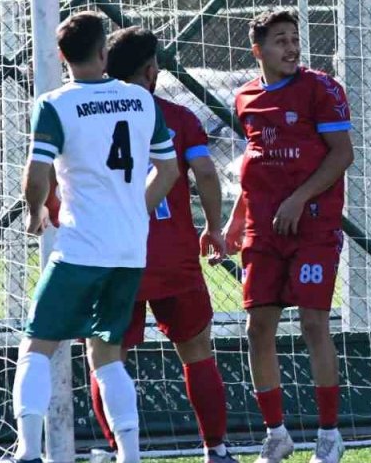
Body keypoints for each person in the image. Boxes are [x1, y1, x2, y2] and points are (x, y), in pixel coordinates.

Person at [14, 11, 179, 463]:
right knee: (106, 353)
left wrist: (34, 212)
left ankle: (28, 451)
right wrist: (133, 210)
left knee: (36, 346)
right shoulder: (142, 100)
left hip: (80, 248)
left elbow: (37, 172)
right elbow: (168, 170)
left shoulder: (55, 104)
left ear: (61, 55)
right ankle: (130, 455)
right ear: (104, 52)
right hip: (129, 251)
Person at [77, 26, 235, 463]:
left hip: (114, 254)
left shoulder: (92, 117)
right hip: (173, 257)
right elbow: (205, 172)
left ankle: (117, 449)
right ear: (151, 71)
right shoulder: (178, 117)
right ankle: (216, 449)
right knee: (197, 352)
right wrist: (214, 227)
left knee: (107, 358)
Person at [223, 9, 355, 463]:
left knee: (313, 324)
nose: (291, 47)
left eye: (294, 38)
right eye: (280, 40)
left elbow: (342, 154)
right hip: (264, 229)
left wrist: (299, 199)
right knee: (257, 328)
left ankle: (329, 436)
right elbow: (254, 166)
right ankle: (276, 435)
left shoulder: (321, 88)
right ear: (257, 50)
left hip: (313, 225)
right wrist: (235, 220)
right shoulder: (245, 98)